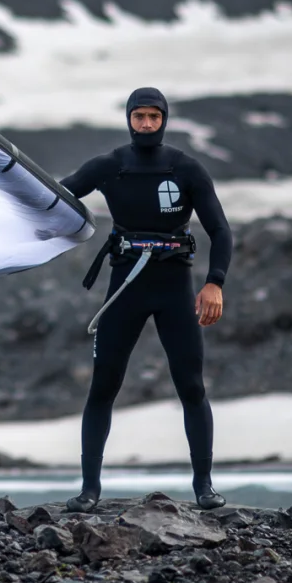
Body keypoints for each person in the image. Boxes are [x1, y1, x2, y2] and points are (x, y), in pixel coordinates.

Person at [59, 86, 232, 512]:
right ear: (129, 119)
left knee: (191, 386)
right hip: (125, 286)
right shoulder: (110, 166)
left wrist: (215, 282)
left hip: (175, 287)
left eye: (155, 117)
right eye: (140, 117)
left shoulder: (186, 168)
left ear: (164, 119)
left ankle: (204, 488)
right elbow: (57, 197)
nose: (147, 124)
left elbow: (221, 230)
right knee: (104, 386)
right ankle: (89, 490)